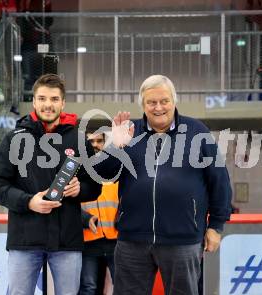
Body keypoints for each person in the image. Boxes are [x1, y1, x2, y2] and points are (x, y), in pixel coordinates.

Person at [98, 75, 232, 295]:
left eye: (164, 101)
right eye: (151, 102)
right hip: (132, 239)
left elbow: (219, 180)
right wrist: (115, 147)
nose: (158, 107)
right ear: (142, 105)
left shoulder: (197, 131)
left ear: (174, 101)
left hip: (183, 239)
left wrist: (216, 226)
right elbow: (104, 173)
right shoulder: (129, 132)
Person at [0, 74, 99, 295]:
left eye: (55, 99)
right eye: (43, 98)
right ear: (35, 102)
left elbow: (94, 186)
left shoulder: (78, 140)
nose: (48, 104)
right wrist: (28, 202)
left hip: (67, 241)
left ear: (63, 103)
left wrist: (80, 189)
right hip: (24, 241)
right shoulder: (14, 138)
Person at [79, 131, 118, 295]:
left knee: (124, 286)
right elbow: (65, 202)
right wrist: (85, 218)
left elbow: (128, 197)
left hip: (116, 239)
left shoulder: (116, 169)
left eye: (99, 141)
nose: (95, 144)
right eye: (91, 141)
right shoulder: (76, 170)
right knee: (89, 288)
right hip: (88, 240)